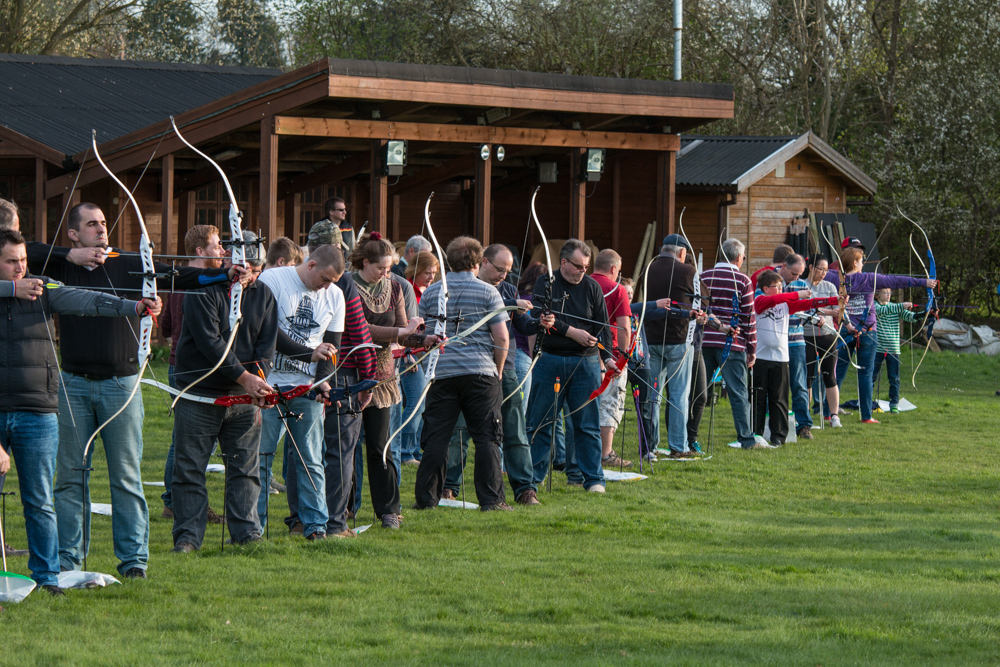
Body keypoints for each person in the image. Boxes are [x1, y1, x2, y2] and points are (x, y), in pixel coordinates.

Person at [27, 202, 236, 578]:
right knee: (71, 476)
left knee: (125, 476)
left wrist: (226, 277)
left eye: (104, 223)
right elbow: (21, 250)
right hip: (73, 383)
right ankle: (67, 559)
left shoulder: (127, 260)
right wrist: (68, 255)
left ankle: (134, 561)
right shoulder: (58, 264)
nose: (102, 230)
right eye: (92, 225)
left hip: (121, 384)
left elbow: (180, 279)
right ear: (74, 233)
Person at [0, 228, 160, 593]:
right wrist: (10, 290)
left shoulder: (42, 288)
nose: (20, 268)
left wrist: (133, 307)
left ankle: (46, 576)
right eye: (11, 262)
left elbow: (87, 300)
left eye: (23, 261)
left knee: (40, 500)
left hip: (36, 409)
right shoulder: (16, 287)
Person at [170, 231, 276, 553]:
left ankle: (246, 535)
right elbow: (211, 344)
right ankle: (188, 538)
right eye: (244, 265)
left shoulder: (263, 294)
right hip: (200, 393)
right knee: (190, 468)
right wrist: (245, 379)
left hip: (244, 399)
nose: (250, 274)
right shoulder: (203, 289)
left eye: (256, 269)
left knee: (245, 467)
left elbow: (266, 347)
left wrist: (260, 381)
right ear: (228, 259)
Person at [281, 222, 377, 539]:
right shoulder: (340, 283)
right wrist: (368, 376)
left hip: (312, 375)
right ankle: (333, 523)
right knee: (334, 452)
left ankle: (299, 520)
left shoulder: (308, 278)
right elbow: (359, 333)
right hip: (336, 375)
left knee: (300, 450)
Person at [441, 243, 552, 506]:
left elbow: (520, 325)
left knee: (514, 429)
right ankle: (448, 486)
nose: (504, 275)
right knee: (461, 428)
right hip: (471, 368)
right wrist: (512, 304)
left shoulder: (507, 288)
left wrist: (538, 322)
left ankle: (526, 489)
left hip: (507, 367)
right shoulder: (464, 286)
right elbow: (479, 312)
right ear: (484, 262)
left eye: (509, 270)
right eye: (500, 269)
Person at [254, 245, 346, 540]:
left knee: (310, 458)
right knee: (260, 456)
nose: (327, 286)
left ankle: (316, 526)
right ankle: (252, 526)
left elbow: (331, 345)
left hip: (306, 388)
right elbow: (267, 333)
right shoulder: (273, 280)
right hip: (267, 384)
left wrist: (323, 382)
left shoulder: (335, 295)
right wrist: (309, 354)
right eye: (325, 278)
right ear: (312, 264)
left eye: (333, 281)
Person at [412, 237, 512, 511]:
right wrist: (498, 370)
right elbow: (501, 338)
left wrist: (428, 367)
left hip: (441, 374)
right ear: (479, 262)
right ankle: (492, 501)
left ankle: (426, 500)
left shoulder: (432, 292)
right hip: (480, 373)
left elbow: (422, 334)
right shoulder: (489, 292)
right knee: (487, 437)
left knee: (436, 438)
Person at [349, 232, 438, 528]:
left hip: (383, 379)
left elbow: (403, 331)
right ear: (364, 263)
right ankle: (344, 508)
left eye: (389, 269)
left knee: (380, 447)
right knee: (345, 447)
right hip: (351, 374)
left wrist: (425, 340)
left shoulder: (395, 287)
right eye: (381, 268)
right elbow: (361, 329)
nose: (387, 274)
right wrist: (403, 334)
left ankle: (388, 509)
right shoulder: (347, 286)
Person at [525, 239, 617, 499]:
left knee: (586, 424)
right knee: (541, 422)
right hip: (550, 359)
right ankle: (533, 478)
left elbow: (602, 326)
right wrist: (573, 332)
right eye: (578, 266)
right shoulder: (547, 282)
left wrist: (608, 358)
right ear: (563, 262)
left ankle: (593, 478)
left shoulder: (592, 287)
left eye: (586, 266)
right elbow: (543, 317)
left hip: (585, 363)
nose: (583, 271)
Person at [160, 225, 228, 523]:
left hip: (185, 365)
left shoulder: (181, 281)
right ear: (200, 251)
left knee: (184, 440)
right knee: (187, 441)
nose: (222, 251)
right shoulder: (198, 282)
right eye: (217, 246)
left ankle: (175, 500)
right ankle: (175, 501)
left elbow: (164, 326)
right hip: (194, 368)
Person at [829, 244, 934, 423]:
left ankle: (828, 411)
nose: (863, 264)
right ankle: (866, 416)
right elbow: (895, 280)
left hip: (845, 330)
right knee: (866, 374)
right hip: (867, 332)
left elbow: (818, 274)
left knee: (836, 371)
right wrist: (925, 282)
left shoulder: (835, 278)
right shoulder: (869, 278)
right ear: (855, 263)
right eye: (861, 261)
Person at [752, 270, 840, 445]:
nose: (780, 290)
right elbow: (774, 300)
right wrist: (797, 294)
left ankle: (778, 437)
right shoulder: (760, 301)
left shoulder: (786, 304)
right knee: (759, 399)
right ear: (765, 289)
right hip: (761, 358)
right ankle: (756, 434)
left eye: (780, 286)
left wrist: (835, 301)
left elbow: (810, 304)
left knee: (780, 399)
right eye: (776, 287)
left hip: (781, 358)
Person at [701, 238, 760, 450]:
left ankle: (688, 437)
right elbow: (748, 318)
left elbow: (700, 308)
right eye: (743, 257)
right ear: (738, 258)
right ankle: (746, 439)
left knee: (698, 392)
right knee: (738, 393)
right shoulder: (743, 280)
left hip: (704, 342)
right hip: (732, 345)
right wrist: (752, 349)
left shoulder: (704, 276)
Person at [643, 235, 698, 459]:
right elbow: (703, 299)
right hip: (679, 339)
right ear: (682, 253)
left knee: (652, 395)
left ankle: (650, 447)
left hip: (651, 338)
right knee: (678, 395)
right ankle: (678, 446)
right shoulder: (688, 271)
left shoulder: (649, 268)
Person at [589, 249, 633, 467]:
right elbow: (625, 327)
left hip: (583, 354)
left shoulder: (582, 284)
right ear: (614, 269)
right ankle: (606, 453)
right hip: (610, 357)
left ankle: (583, 453)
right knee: (609, 403)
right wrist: (623, 358)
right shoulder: (617, 289)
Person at [398, 250, 439, 466]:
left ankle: (413, 449)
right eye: (427, 272)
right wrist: (407, 353)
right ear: (415, 270)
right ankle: (405, 452)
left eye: (434, 273)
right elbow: (403, 326)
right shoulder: (406, 290)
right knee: (415, 402)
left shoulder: (429, 292)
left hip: (424, 353)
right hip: (409, 355)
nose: (431, 277)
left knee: (422, 403)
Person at [774, 254, 815, 439]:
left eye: (799, 275)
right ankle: (773, 423)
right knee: (775, 384)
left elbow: (807, 310)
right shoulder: (771, 281)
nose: (796, 278)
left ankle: (804, 425)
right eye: (793, 273)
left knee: (799, 383)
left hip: (796, 340)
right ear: (783, 266)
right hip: (776, 340)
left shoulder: (802, 285)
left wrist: (817, 316)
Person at [801, 255, 844, 427]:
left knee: (830, 376)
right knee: (808, 377)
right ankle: (806, 416)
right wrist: (825, 311)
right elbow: (805, 308)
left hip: (827, 335)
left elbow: (838, 310)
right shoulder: (802, 285)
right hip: (806, 335)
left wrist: (839, 315)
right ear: (811, 267)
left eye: (826, 270)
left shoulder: (830, 286)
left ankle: (834, 416)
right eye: (821, 269)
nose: (824, 273)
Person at [873, 288, 921, 413]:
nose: (889, 295)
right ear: (877, 294)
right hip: (877, 348)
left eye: (890, 292)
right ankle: (867, 403)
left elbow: (911, 317)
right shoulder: (874, 306)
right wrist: (902, 305)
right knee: (871, 377)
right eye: (885, 292)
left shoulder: (895, 307)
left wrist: (927, 313)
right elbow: (882, 310)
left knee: (894, 379)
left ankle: (894, 404)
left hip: (893, 349)